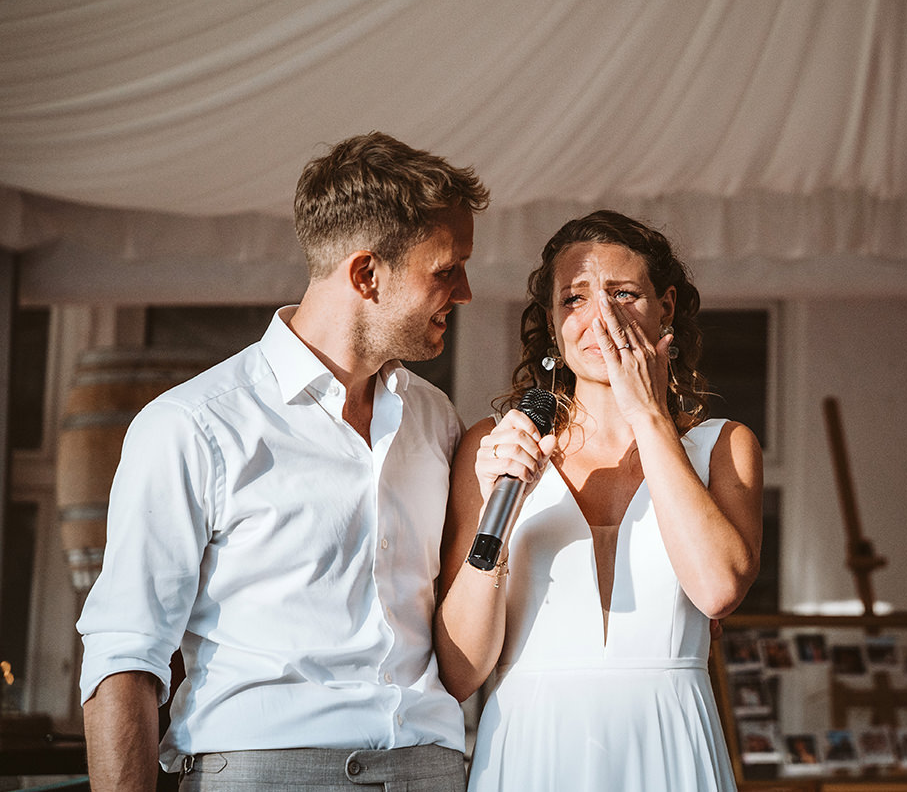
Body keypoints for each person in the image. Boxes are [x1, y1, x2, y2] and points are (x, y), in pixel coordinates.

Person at [77, 132, 488, 792]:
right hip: (263, 772)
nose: (464, 292)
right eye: (446, 269)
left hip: (430, 770)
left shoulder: (436, 420)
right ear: (366, 274)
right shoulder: (194, 425)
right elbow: (125, 657)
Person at [435, 210, 764, 791]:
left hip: (670, 742)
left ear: (665, 306)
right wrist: (498, 517)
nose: (599, 318)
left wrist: (648, 414)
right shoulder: (495, 446)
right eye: (574, 299)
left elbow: (718, 590)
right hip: (533, 745)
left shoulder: (723, 446)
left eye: (623, 294)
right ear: (553, 323)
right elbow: (460, 673)